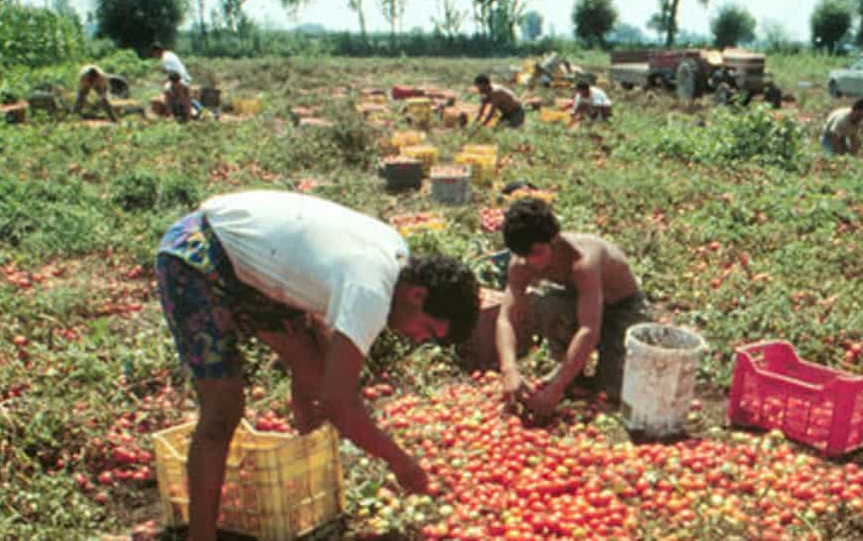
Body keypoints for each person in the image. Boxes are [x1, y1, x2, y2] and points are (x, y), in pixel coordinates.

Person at [156, 190, 478, 541]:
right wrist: (401, 462)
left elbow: (326, 366)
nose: (418, 339)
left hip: (250, 263)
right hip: (198, 254)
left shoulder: (395, 258)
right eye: (428, 330)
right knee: (223, 410)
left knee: (313, 366)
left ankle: (305, 480)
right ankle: (200, 535)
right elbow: (338, 402)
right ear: (418, 296)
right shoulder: (371, 290)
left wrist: (316, 387)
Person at [495, 197, 651, 421]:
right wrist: (508, 369)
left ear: (554, 239)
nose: (531, 263)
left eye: (537, 253)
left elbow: (589, 328)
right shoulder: (521, 263)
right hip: (581, 301)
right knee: (546, 305)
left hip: (623, 307)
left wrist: (555, 390)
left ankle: (573, 374)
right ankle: (570, 372)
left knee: (612, 390)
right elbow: (505, 318)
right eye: (524, 255)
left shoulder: (584, 261)